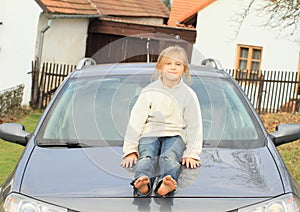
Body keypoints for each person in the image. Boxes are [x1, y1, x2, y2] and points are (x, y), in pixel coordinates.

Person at [120, 45, 203, 197]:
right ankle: (142, 184)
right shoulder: (149, 91)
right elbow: (136, 121)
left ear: (184, 69)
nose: (173, 67)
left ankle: (165, 183)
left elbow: (195, 125)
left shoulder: (189, 95)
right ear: (159, 67)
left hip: (175, 134)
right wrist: (130, 150)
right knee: (146, 156)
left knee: (170, 156)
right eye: (168, 63)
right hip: (150, 133)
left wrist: (191, 153)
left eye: (178, 64)